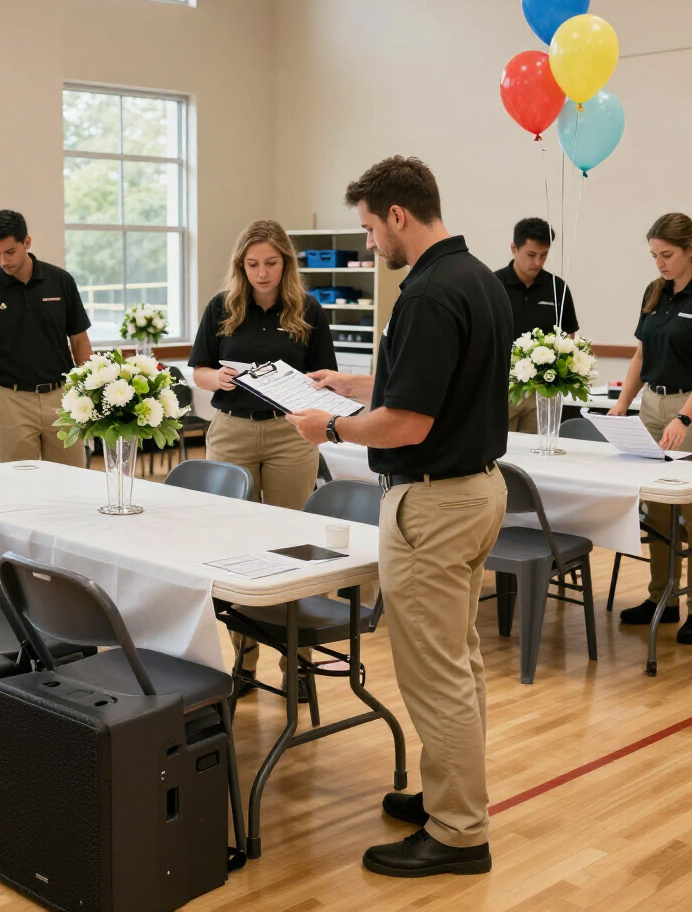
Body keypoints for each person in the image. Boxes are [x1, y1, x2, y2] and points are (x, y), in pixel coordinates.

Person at [287, 156, 512, 877]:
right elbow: (437, 381)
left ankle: (458, 832)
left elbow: (409, 423)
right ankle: (449, 795)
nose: (367, 243)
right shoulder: (478, 279)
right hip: (478, 490)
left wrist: (330, 426)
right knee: (460, 661)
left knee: (434, 672)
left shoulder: (426, 293)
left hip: (434, 501)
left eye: (368, 228)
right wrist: (354, 383)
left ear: (397, 215)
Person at [190, 219, 337, 698]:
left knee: (292, 544)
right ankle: (244, 663)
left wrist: (303, 382)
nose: (262, 272)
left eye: (271, 263)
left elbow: (327, 376)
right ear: (241, 265)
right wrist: (218, 379)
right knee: (237, 545)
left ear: (285, 263)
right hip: (232, 431)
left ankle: (298, 664)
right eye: (252, 264)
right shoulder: (223, 306)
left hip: (289, 434)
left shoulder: (308, 309)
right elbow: (199, 369)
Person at [608, 213, 692, 645]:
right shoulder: (655, 291)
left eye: (666, 254)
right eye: (654, 255)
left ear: (690, 249)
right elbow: (641, 356)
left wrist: (684, 417)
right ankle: (662, 598)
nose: (660, 263)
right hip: (652, 404)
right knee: (658, 508)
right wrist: (622, 405)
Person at [0, 210, 92, 466]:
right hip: (11, 402)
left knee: (72, 478)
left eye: (10, 252)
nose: (3, 261)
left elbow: (80, 340)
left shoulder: (61, 281)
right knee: (18, 481)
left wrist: (91, 393)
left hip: (62, 396)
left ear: (27, 242)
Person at [495, 217, 579, 432]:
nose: (537, 262)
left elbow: (568, 336)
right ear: (514, 249)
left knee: (539, 447)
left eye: (544, 255)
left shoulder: (557, 288)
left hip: (542, 390)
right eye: (531, 255)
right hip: (502, 388)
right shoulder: (493, 285)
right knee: (500, 448)